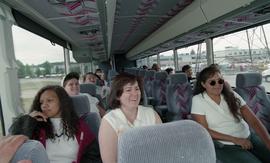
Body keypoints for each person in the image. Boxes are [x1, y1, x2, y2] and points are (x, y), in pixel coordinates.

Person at [191, 66, 270, 163]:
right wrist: (235, 140)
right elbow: (204, 130)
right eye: (212, 82)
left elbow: (253, 121)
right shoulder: (198, 100)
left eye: (220, 81)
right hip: (225, 145)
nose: (217, 85)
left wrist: (268, 141)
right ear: (203, 84)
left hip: (248, 137)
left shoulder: (232, 95)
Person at [9, 85, 101, 163]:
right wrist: (28, 120)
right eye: (41, 102)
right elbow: (15, 145)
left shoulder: (80, 126)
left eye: (49, 100)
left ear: (62, 102)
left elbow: (93, 157)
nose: (44, 105)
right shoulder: (36, 126)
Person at [98, 73, 162, 163]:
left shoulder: (151, 114)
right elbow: (110, 161)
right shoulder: (109, 121)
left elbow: (162, 149)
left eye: (137, 89)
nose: (135, 94)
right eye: (128, 90)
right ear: (117, 96)